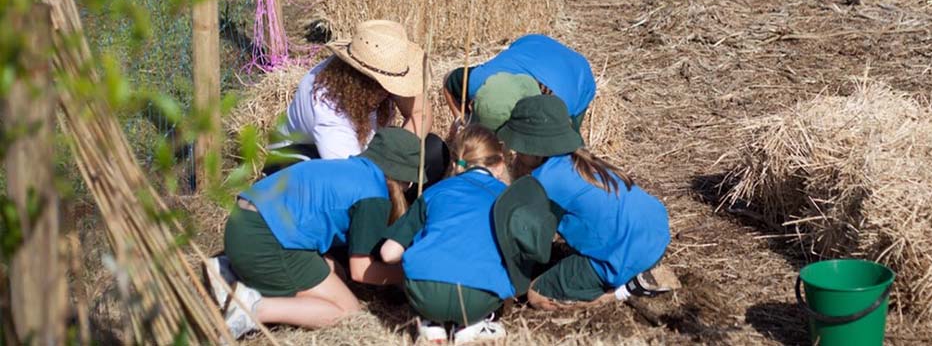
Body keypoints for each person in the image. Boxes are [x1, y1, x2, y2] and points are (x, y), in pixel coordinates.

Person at [206, 128, 428, 338]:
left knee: (337, 272)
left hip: (241, 224)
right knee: (347, 311)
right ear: (407, 181)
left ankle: (231, 271)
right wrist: (407, 273)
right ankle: (254, 308)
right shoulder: (374, 195)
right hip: (266, 242)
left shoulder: (351, 169)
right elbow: (361, 272)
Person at [497, 96, 676, 308]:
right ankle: (637, 275)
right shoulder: (577, 160)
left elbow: (524, 236)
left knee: (538, 294)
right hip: (655, 236)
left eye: (520, 149)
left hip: (625, 253)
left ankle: (624, 291)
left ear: (534, 149)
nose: (515, 154)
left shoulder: (544, 181)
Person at [379, 126, 527, 342]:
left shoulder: (433, 192)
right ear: (500, 165)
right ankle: (477, 323)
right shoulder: (508, 198)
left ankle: (431, 321)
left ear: (457, 165)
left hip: (424, 291)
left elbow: (388, 253)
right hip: (478, 296)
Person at [274, 20, 435, 165]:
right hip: (302, 158)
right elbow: (354, 176)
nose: (389, 92)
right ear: (362, 81)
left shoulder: (384, 68)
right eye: (385, 86)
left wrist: (398, 154)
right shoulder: (327, 109)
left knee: (433, 151)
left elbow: (421, 113)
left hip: (359, 153)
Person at [443, 34, 597, 132]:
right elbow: (448, 79)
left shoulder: (555, 114)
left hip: (579, 74)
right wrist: (460, 122)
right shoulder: (477, 81)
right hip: (532, 43)